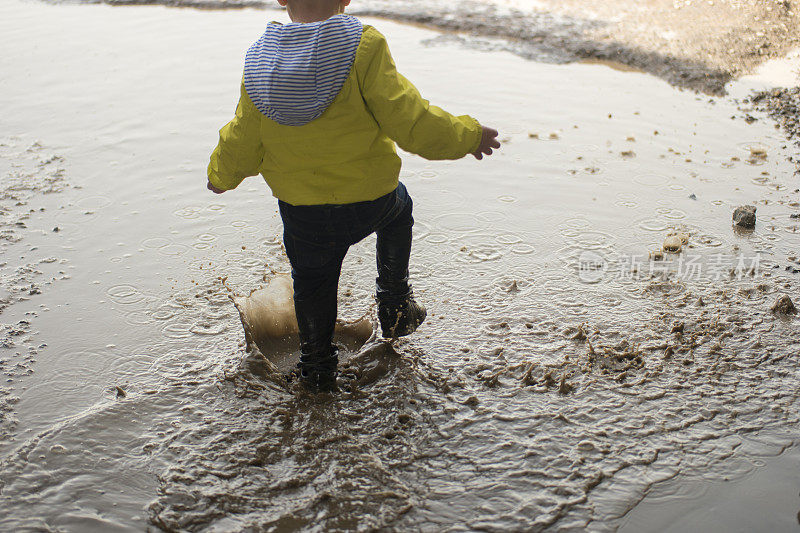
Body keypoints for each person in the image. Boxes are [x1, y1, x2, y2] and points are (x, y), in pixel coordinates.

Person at [207, 0, 500, 392]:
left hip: (303, 213)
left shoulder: (262, 60)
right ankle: (395, 303)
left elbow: (244, 133)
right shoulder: (362, 46)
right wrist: (466, 135)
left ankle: (316, 366)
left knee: (312, 282)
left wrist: (221, 175)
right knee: (400, 212)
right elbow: (409, 119)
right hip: (371, 199)